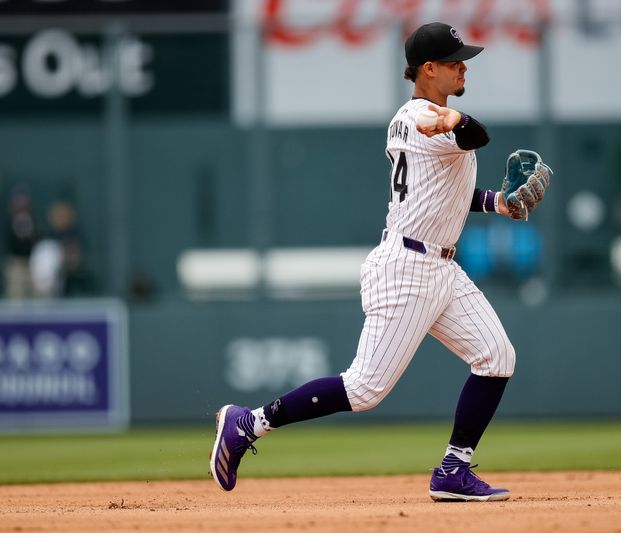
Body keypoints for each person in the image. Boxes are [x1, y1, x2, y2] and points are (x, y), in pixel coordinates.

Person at [210, 21, 551, 502]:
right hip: (407, 268)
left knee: (497, 357)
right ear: (428, 69)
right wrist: (456, 123)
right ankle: (250, 423)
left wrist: (499, 202)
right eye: (455, 61)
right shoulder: (417, 117)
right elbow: (479, 135)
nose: (463, 67)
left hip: (441, 268)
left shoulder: (430, 120)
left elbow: (447, 193)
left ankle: (453, 470)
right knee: (365, 389)